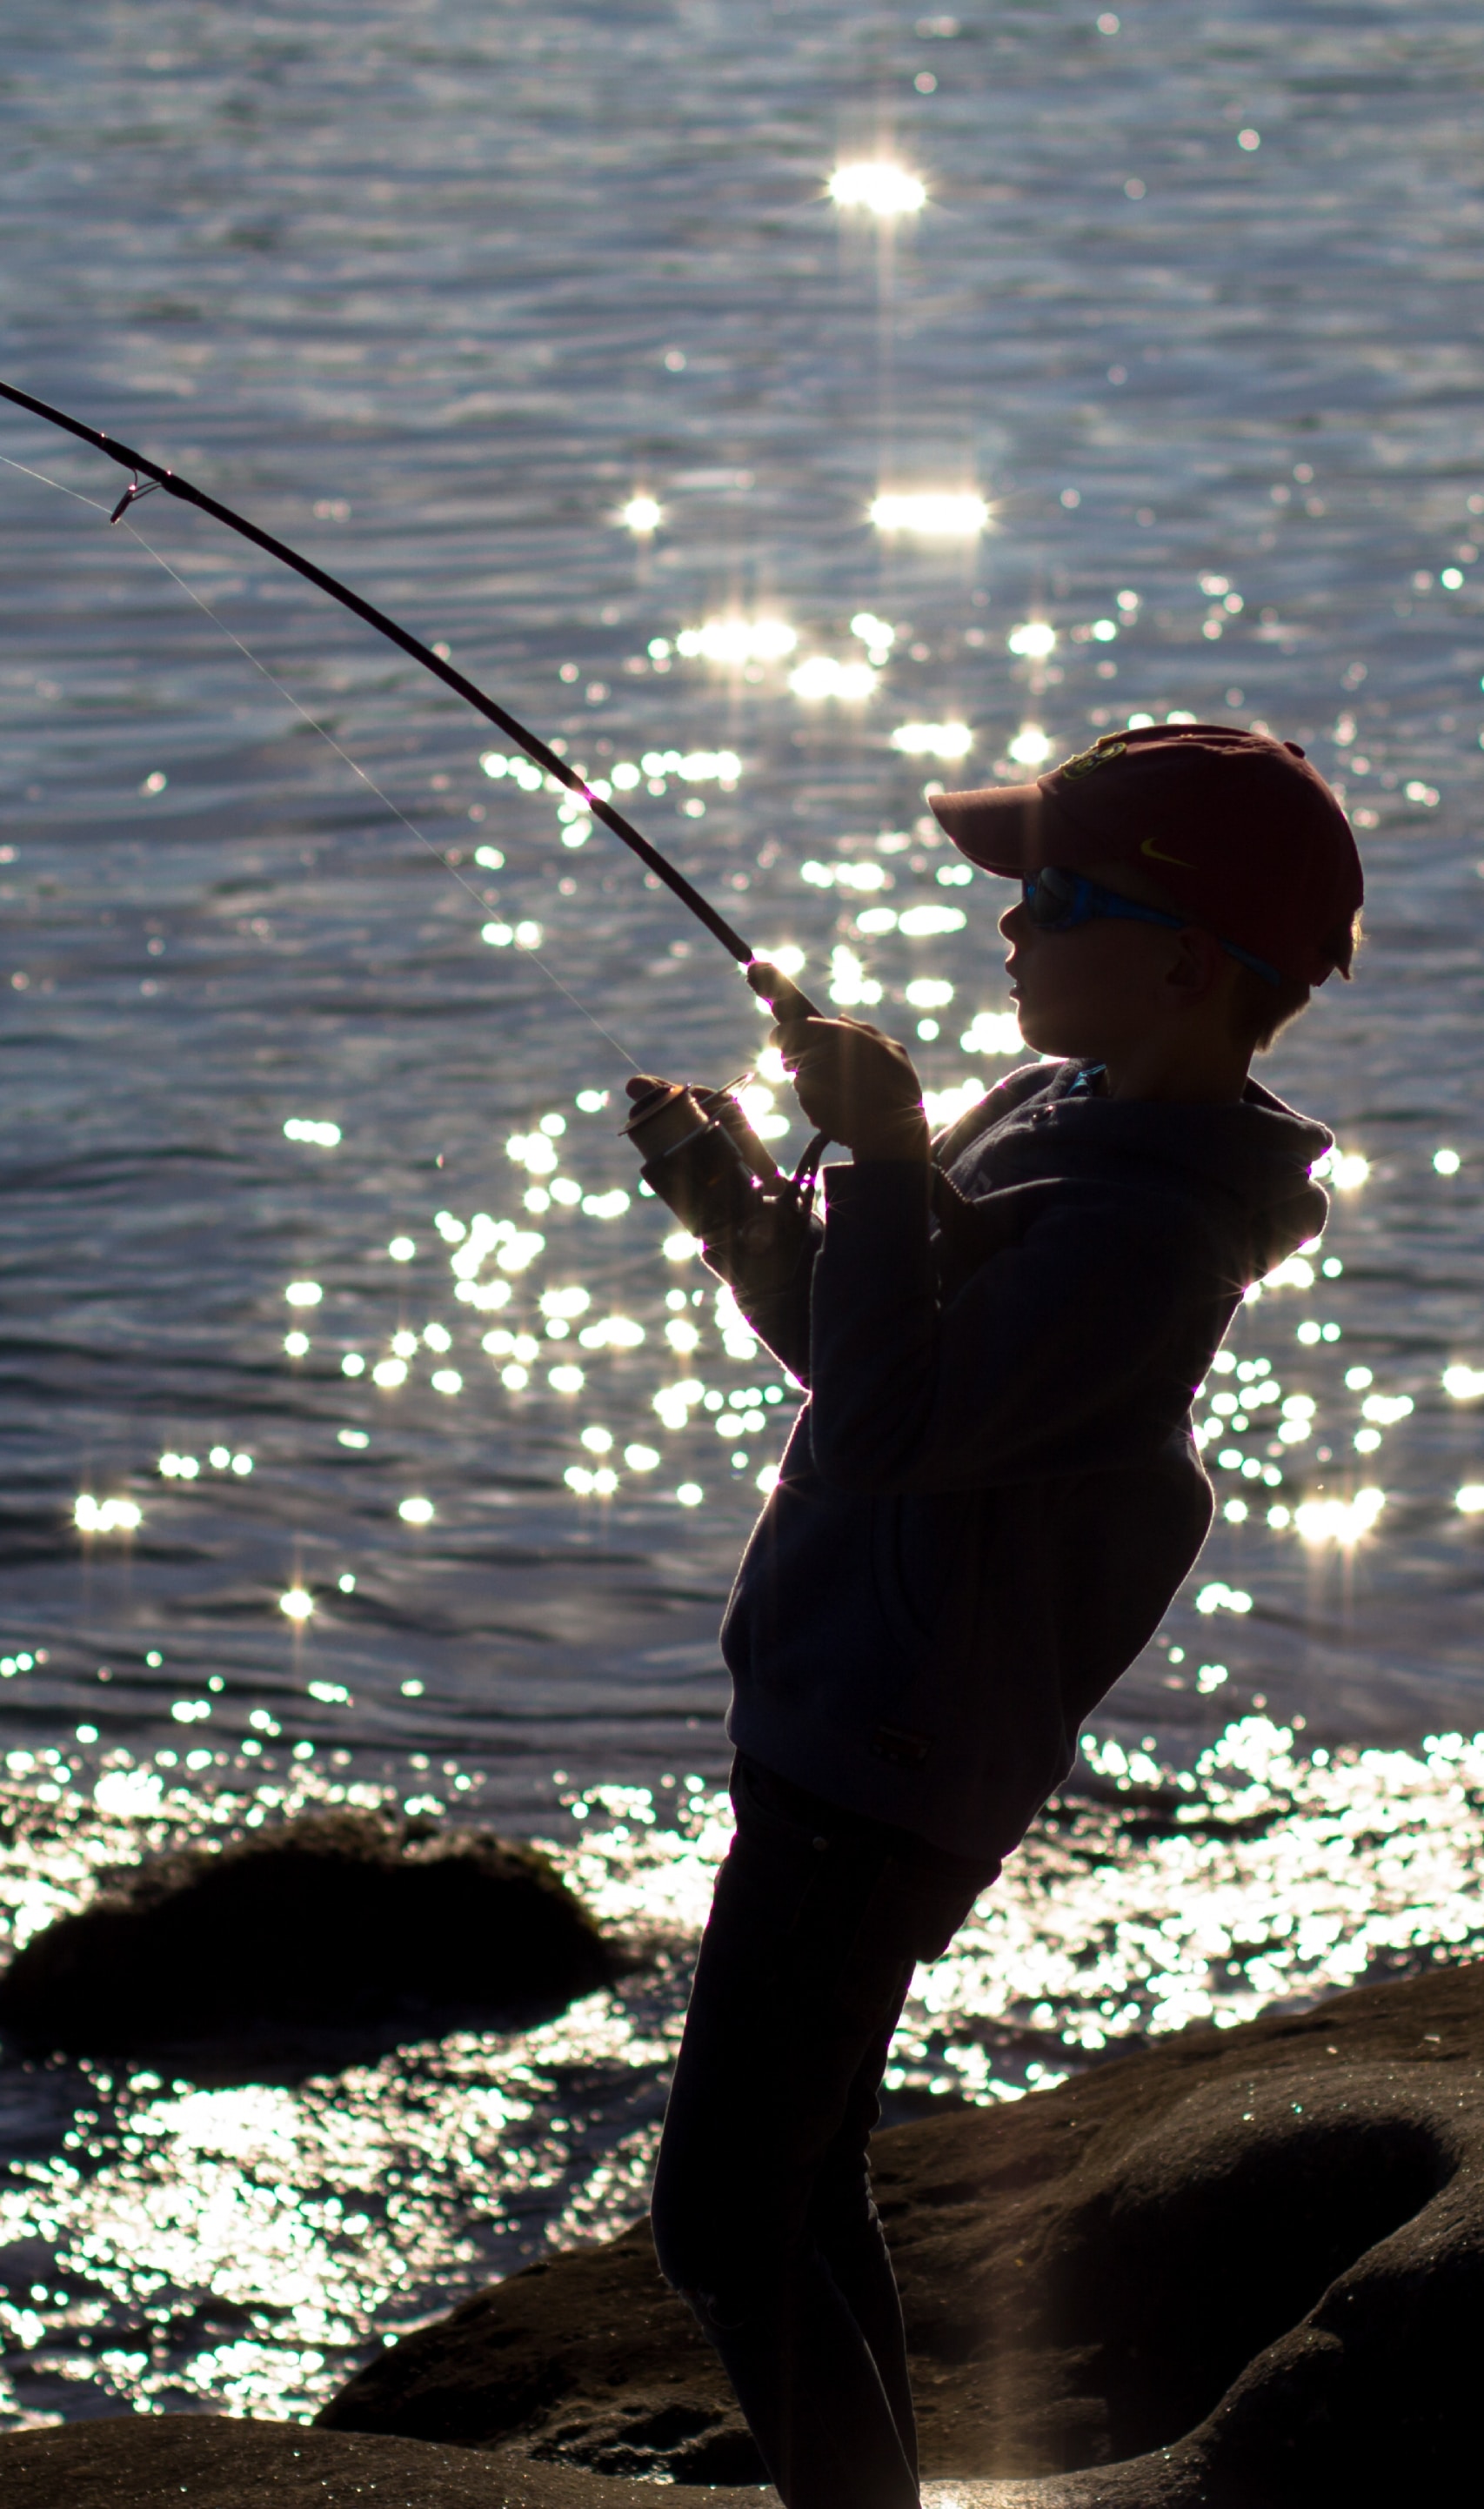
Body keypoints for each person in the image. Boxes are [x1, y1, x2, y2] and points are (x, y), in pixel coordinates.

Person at [639, 723, 1364, 2509]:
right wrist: (742, 1201)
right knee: (798, 2186)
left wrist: (884, 1150)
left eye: (1049, 898)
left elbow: (886, 1421)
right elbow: (868, 1354)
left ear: (1187, 958)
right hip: (829, 1713)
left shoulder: (1148, 1242)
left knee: (721, 2214)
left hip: (883, 1759)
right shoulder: (1058, 1108)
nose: (1006, 932)